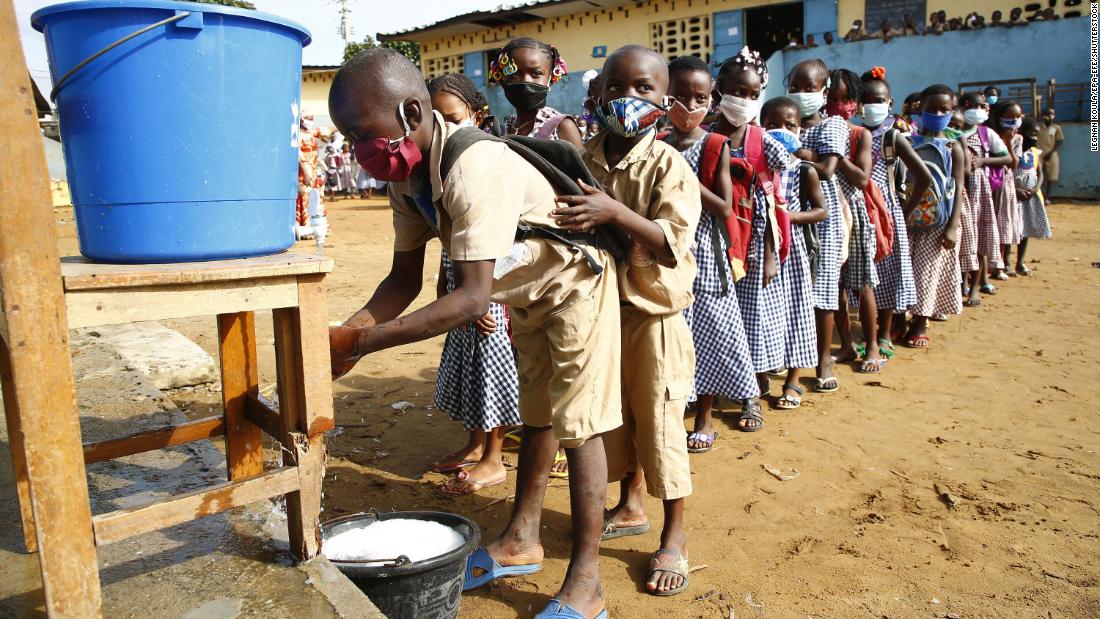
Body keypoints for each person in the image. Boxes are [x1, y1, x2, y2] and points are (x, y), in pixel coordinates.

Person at [327, 48, 621, 619]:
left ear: (412, 112)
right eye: (347, 136)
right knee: (535, 414)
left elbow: (469, 297)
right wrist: (348, 330)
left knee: (580, 427)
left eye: (363, 132)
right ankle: (520, 540)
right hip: (527, 296)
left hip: (574, 286)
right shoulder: (408, 177)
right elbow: (403, 278)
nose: (355, 149)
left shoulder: (472, 165)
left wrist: (363, 344)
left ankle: (587, 584)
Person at [570, 44, 699, 597]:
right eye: (616, 88)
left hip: (654, 316)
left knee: (662, 419)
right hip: (600, 313)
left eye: (642, 89)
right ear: (596, 96)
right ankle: (630, 501)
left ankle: (675, 535)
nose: (627, 99)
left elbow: (672, 240)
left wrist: (615, 213)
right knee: (615, 418)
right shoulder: (584, 159)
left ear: (663, 101)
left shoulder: (668, 164)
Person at [415, 73, 522, 496]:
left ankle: (494, 458)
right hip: (460, 280)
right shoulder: (439, 167)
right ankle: (475, 444)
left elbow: (507, 243)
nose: (445, 129)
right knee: (468, 365)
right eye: (435, 119)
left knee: (491, 366)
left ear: (477, 115)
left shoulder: (487, 161)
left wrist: (483, 298)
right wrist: (446, 293)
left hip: (491, 285)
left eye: (454, 118)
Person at [661, 54, 757, 451]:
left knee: (713, 333)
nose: (691, 106)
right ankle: (672, 409)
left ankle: (705, 414)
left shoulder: (714, 144)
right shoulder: (659, 142)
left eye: (700, 98)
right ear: (667, 98)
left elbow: (723, 206)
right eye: (681, 97)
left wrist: (682, 175)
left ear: (711, 100)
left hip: (706, 252)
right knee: (674, 331)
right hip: (666, 247)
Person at [712, 46, 790, 429]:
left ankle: (750, 398)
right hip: (714, 243)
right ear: (719, 89)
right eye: (736, 91)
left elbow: (777, 199)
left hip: (756, 246)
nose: (743, 100)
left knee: (753, 324)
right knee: (720, 320)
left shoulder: (765, 143)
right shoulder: (705, 138)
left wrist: (773, 253)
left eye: (752, 94)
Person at [762, 96, 826, 409]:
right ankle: (761, 376)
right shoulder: (754, 165)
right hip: (762, 250)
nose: (781, 130)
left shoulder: (804, 171)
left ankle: (794, 380)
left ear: (799, 129)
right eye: (773, 125)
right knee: (762, 314)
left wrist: (786, 216)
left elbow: (821, 211)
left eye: (789, 125)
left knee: (797, 314)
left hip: (793, 252)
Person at [787, 58, 845, 392]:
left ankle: (823, 360)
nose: (800, 93)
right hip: (792, 211)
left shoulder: (831, 125)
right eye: (795, 86)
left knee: (823, 291)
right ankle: (793, 356)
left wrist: (798, 151)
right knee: (796, 290)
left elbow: (827, 169)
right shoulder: (784, 120)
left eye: (809, 88)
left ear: (823, 92)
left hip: (823, 216)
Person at [827, 68, 884, 374]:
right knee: (834, 285)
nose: (840, 105)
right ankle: (847, 344)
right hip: (827, 212)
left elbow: (861, 178)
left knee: (862, 283)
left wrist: (835, 154)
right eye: (833, 98)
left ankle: (872, 345)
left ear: (856, 102)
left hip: (854, 212)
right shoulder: (819, 129)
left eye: (846, 98)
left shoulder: (861, 134)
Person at [903, 84, 964, 348]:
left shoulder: (954, 147)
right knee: (905, 270)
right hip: (907, 217)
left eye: (944, 109)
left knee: (927, 273)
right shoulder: (908, 142)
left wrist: (953, 226)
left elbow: (959, 187)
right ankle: (897, 318)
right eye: (932, 109)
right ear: (920, 109)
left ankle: (919, 321)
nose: (938, 114)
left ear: (953, 111)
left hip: (938, 221)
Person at [959, 91, 1011, 304]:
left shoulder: (986, 133)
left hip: (979, 192)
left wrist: (982, 162)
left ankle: (974, 288)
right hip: (959, 191)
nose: (979, 109)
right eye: (974, 105)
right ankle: (961, 283)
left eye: (983, 106)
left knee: (979, 238)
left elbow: (1007, 157)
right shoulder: (953, 131)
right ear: (962, 107)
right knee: (961, 239)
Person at [494, 37, 584, 148]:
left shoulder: (561, 127)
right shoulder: (504, 130)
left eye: (536, 73)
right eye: (514, 74)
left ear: (550, 78)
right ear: (502, 79)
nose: (525, 81)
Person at [991, 99, 1024, 278]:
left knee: (1004, 222)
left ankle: (1001, 264)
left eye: (1017, 116)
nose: (1014, 120)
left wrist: (1009, 142)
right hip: (991, 183)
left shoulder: (1017, 138)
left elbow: (1013, 163)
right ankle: (991, 263)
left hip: (1006, 184)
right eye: (1009, 116)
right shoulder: (990, 134)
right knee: (991, 222)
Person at [1015, 116, 1052, 274]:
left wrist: (1036, 188)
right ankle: (1004, 264)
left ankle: (1020, 262)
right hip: (1015, 197)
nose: (1035, 138)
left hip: (1030, 198)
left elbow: (1040, 172)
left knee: (1025, 230)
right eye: (1032, 133)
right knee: (1012, 229)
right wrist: (1016, 190)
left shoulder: (1035, 152)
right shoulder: (1013, 149)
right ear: (1021, 132)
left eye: (1037, 134)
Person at [296, 110, 325, 238]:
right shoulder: (297, 135)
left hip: (313, 169)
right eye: (308, 118)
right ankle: (304, 228)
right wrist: (306, 173)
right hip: (304, 170)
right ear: (301, 120)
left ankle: (317, 227)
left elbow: (326, 133)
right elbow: (299, 156)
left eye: (312, 117)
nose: (311, 120)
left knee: (316, 197)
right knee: (304, 197)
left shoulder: (311, 133)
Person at [1036, 108, 1064, 198]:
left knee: (1051, 176)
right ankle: (1038, 195)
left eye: (1052, 114)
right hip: (1039, 153)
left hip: (1051, 153)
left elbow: (1060, 140)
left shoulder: (1056, 128)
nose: (1050, 116)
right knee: (1037, 174)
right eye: (1047, 114)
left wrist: (1051, 152)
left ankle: (1047, 197)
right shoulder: (1038, 127)